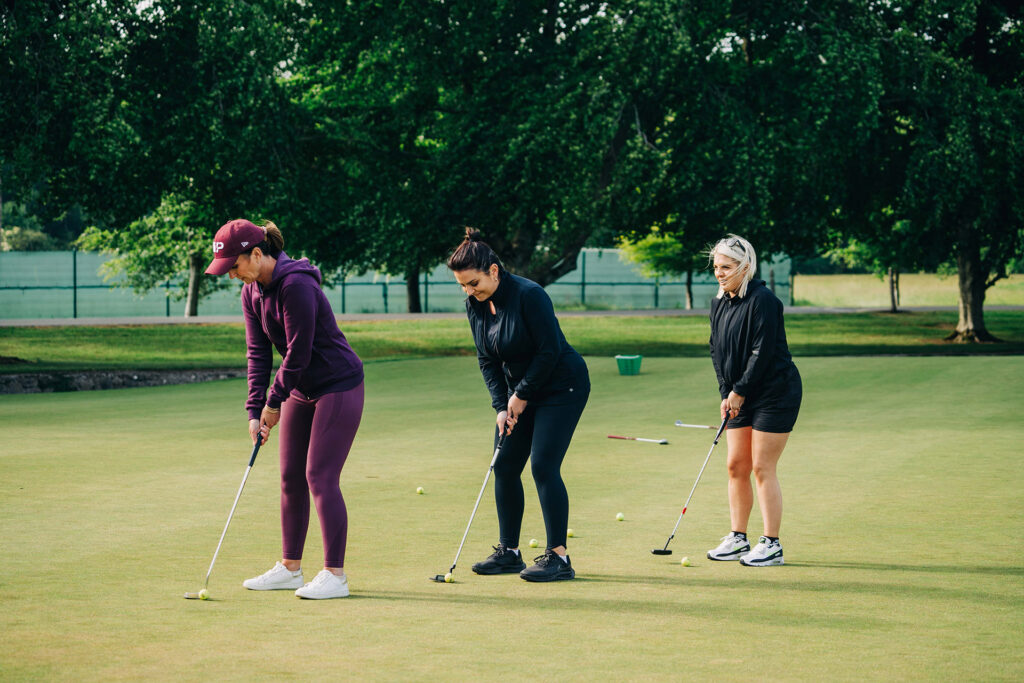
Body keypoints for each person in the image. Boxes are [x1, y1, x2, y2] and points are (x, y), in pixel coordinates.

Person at [204, 218, 364, 598]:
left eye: (235, 266)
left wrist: (273, 402)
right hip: (300, 389)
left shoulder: (297, 285)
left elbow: (298, 352)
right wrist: (254, 410)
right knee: (290, 477)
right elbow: (258, 354)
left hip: (337, 384)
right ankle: (291, 568)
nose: (232, 275)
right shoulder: (252, 292)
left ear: (257, 254)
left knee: (320, 476)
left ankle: (335, 576)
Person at [447, 228, 590, 582]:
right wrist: (501, 405)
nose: (469, 291)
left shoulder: (530, 295)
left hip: (562, 386)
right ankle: (509, 552)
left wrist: (522, 394)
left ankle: (559, 556)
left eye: (474, 282)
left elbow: (549, 351)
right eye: (463, 286)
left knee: (543, 465)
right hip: (518, 392)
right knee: (506, 464)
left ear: (494, 270)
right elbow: (487, 360)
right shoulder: (475, 305)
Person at [705, 234, 801, 567]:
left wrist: (740, 391)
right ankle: (738, 538)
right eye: (716, 267)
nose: (719, 273)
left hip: (775, 392)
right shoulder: (719, 303)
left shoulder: (764, 301)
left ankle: (771, 544)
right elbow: (716, 350)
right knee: (736, 466)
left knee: (761, 467)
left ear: (745, 267)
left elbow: (762, 353)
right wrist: (726, 393)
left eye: (726, 267)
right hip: (739, 394)